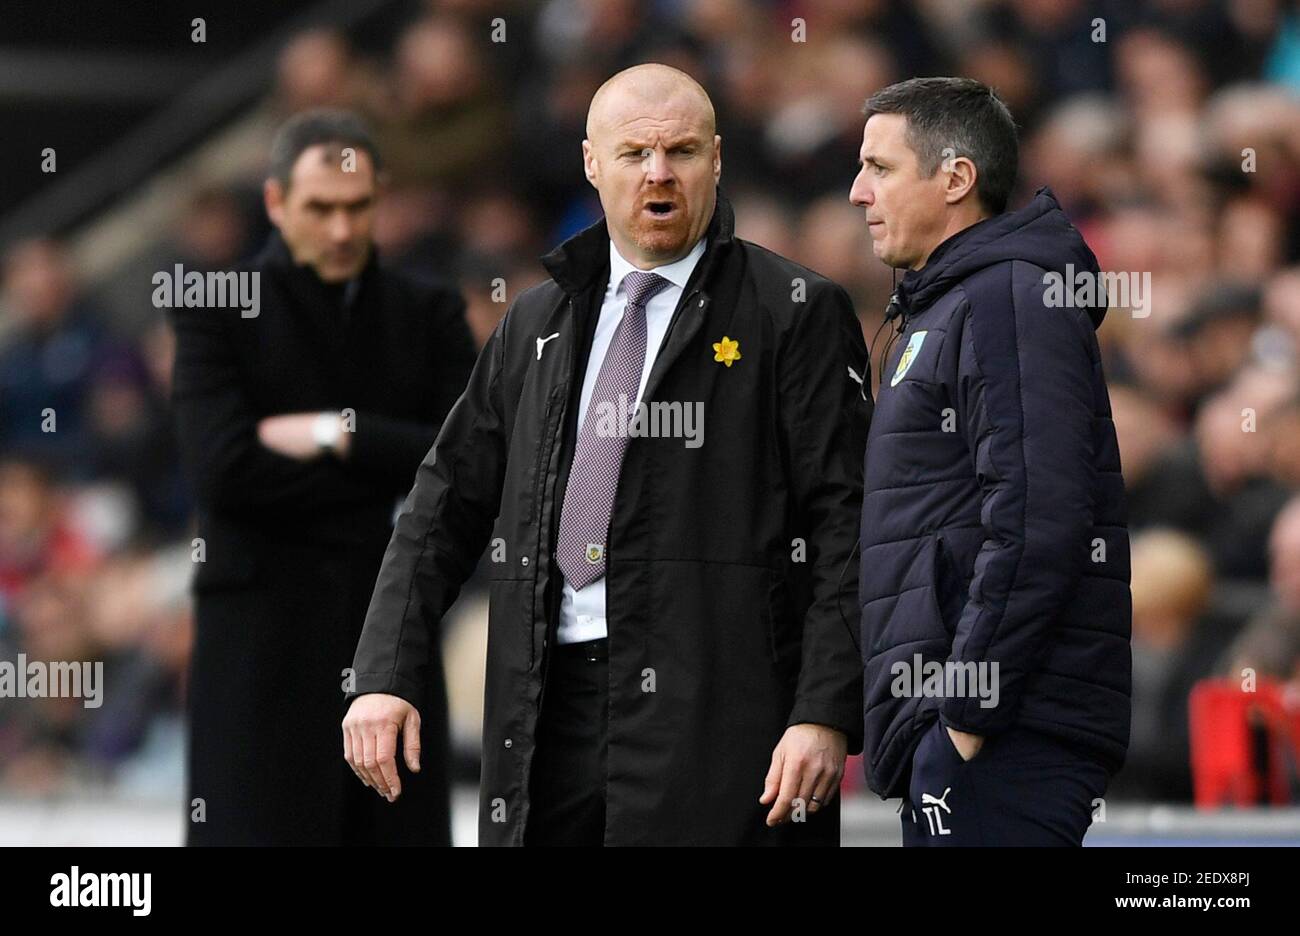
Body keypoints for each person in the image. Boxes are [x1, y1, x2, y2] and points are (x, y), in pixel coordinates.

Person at [343, 64, 870, 846]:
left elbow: (849, 526)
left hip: (724, 730)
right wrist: (384, 675)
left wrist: (824, 708)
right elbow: (442, 505)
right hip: (544, 712)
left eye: (682, 152)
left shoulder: (792, 314)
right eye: (634, 154)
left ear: (717, 160)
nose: (659, 174)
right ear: (592, 163)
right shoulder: (536, 322)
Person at [170, 109, 475, 845]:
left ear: (381, 199)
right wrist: (387, 472)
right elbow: (223, 473)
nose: (341, 229)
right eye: (319, 208)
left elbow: (466, 460)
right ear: (276, 203)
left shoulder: (426, 310)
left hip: (388, 634)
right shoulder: (217, 308)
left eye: (357, 206)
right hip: (260, 649)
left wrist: (335, 433)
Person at [849, 77, 1131, 846]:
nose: (856, 192)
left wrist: (965, 721)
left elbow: (1038, 519)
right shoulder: (950, 304)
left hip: (1005, 738)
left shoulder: (1008, 298)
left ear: (956, 178)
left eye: (880, 167)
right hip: (973, 733)